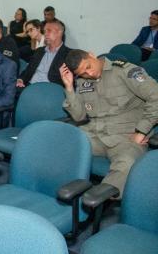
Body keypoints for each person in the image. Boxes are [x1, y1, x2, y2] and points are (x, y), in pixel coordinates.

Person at [60, 49, 158, 196]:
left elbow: (156, 97)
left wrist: (142, 131)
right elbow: (79, 116)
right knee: (61, 147)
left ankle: (96, 205)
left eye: (88, 67)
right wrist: (69, 87)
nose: (90, 74)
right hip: (94, 133)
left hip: (126, 136)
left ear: (92, 55)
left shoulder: (125, 71)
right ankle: (62, 192)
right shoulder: (82, 80)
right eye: (83, 73)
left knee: (126, 165)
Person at [17, 19, 70, 88]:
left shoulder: (68, 54)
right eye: (45, 31)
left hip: (48, 90)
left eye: (49, 31)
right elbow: (28, 69)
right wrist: (20, 79)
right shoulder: (39, 51)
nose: (45, 34)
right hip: (29, 86)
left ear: (59, 33)